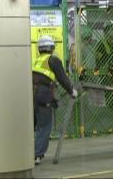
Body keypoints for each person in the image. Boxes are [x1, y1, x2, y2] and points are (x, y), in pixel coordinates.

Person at [32, 35, 78, 165]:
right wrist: (71, 91)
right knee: (44, 125)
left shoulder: (36, 61)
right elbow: (62, 78)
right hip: (43, 95)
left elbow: (41, 77)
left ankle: (27, 152)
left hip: (31, 95)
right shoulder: (53, 60)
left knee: (33, 126)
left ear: (39, 49)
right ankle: (37, 155)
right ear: (51, 48)